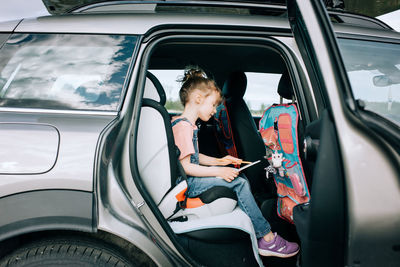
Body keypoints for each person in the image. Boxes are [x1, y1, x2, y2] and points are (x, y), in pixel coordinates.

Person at [171, 67, 299, 258]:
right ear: (198, 99)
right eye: (213, 105)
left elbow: (195, 157)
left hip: (189, 179)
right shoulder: (183, 127)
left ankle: (263, 233)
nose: (215, 111)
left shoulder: (186, 124)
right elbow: (187, 166)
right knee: (239, 183)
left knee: (238, 180)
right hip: (187, 184)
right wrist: (219, 172)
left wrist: (222, 161)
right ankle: (267, 238)